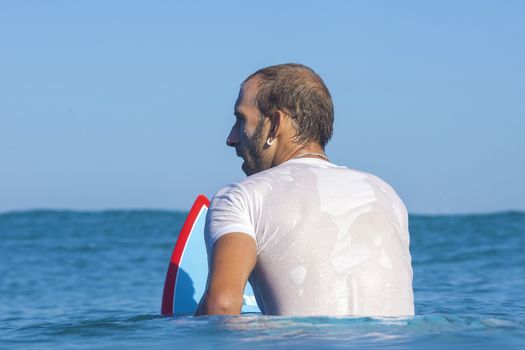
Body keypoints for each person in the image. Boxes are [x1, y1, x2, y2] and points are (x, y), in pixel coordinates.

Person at [195, 63, 414, 316]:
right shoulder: (386, 194)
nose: (231, 138)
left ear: (275, 124)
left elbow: (221, 305)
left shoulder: (240, 198)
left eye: (241, 120)